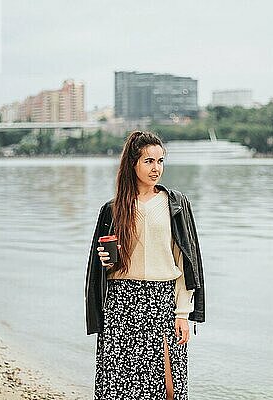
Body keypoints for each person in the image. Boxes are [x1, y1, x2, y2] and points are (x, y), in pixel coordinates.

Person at [85, 130, 206, 400]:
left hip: (161, 302)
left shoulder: (176, 205)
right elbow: (99, 269)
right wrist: (105, 262)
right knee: (120, 386)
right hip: (121, 303)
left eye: (160, 161)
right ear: (133, 164)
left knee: (169, 387)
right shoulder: (113, 209)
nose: (156, 168)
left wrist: (183, 314)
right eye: (149, 161)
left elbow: (185, 261)